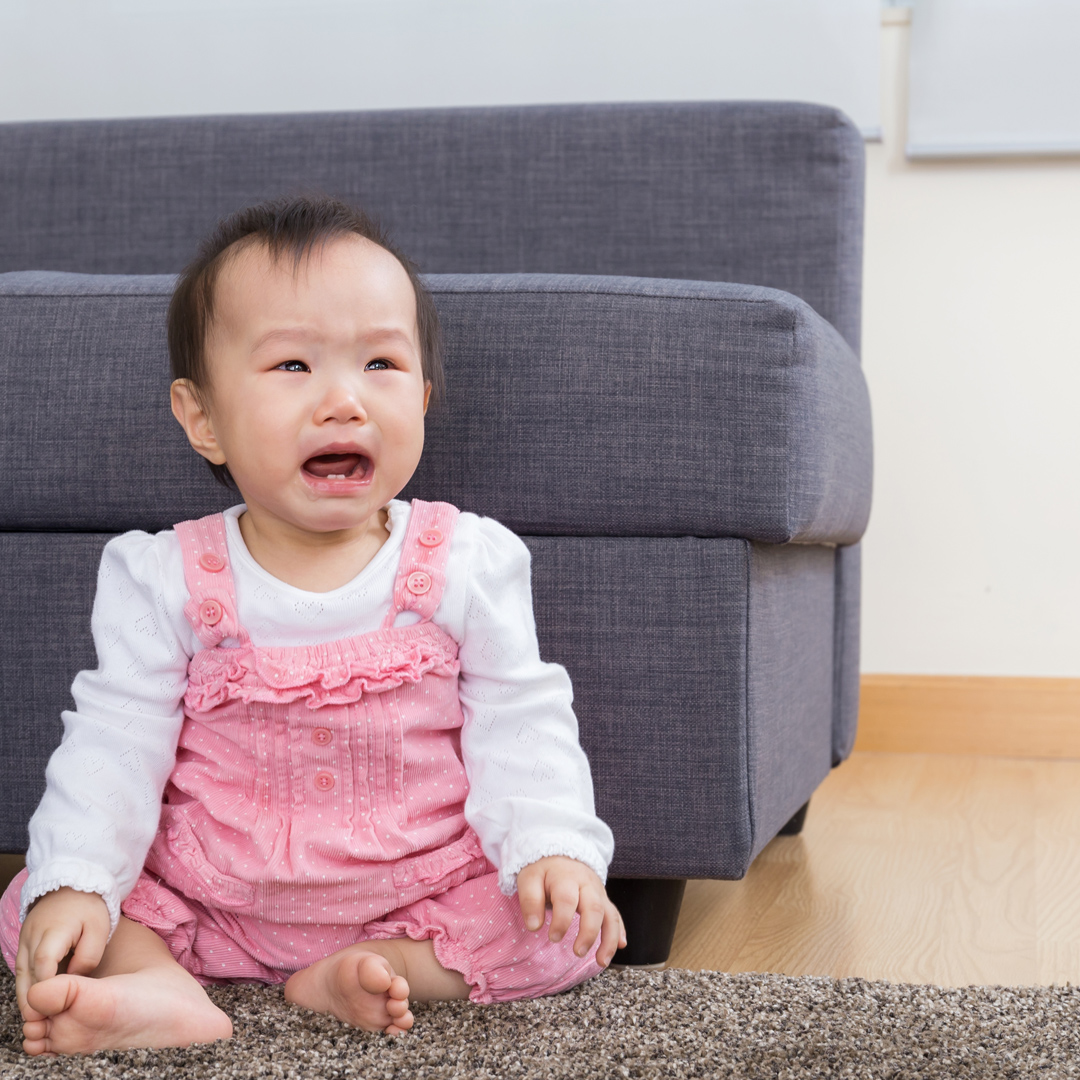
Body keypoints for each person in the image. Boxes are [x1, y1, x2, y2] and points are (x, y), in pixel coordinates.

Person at [0, 195, 624, 1056]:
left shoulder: (465, 560)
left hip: (415, 890)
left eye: (381, 364)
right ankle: (159, 986)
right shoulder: (164, 574)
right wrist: (79, 882)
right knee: (39, 894)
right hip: (216, 897)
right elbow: (113, 741)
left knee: (566, 927)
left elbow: (524, 718)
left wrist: (552, 848)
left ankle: (370, 966)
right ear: (202, 418)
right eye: (293, 366)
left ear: (425, 396)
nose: (343, 401)